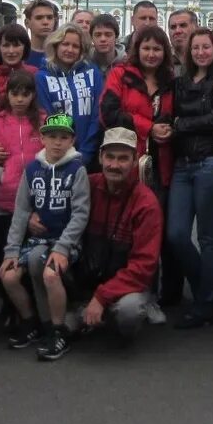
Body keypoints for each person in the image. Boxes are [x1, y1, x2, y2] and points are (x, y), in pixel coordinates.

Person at [0, 112, 91, 361]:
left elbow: (81, 214)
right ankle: (33, 323)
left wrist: (63, 247)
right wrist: (11, 250)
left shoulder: (77, 169)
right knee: (8, 276)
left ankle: (58, 330)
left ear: (72, 140)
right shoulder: (32, 169)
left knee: (50, 273)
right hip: (38, 240)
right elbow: (21, 211)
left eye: (64, 137)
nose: (57, 142)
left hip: (66, 242)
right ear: (42, 138)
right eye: (52, 137)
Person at [100, 24, 177, 319]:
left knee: (153, 232)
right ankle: (115, 291)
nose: (152, 54)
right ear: (136, 50)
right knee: (121, 231)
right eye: (146, 48)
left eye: (157, 49)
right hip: (126, 164)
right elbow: (109, 113)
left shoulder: (170, 80)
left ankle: (151, 295)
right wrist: (147, 127)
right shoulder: (121, 75)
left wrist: (169, 128)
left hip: (161, 165)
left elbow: (175, 114)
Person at [167, 27, 213, 328]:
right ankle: (206, 289)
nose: (200, 53)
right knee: (177, 234)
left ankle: (205, 304)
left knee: (209, 237)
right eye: (195, 48)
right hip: (182, 164)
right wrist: (190, 120)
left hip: (212, 162)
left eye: (205, 47)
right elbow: (183, 115)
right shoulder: (180, 80)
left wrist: (182, 122)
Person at [73, 127, 163, 340]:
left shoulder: (146, 203)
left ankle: (99, 316)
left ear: (135, 161)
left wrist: (102, 297)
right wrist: (33, 217)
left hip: (126, 285)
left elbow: (143, 267)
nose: (114, 165)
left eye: (123, 159)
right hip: (90, 275)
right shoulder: (87, 184)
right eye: (110, 157)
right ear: (100, 157)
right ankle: (86, 313)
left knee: (128, 313)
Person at [0, 71, 41, 316]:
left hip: (37, 205)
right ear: (7, 95)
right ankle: (9, 305)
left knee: (32, 258)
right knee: (5, 253)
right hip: (6, 203)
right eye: (15, 94)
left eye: (26, 94)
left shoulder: (42, 122)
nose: (20, 99)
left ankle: (34, 305)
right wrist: (0, 174)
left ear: (33, 95)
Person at [36, 23, 104, 168]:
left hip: (90, 154)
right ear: (56, 46)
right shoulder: (42, 77)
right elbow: (47, 116)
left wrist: (86, 152)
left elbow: (97, 113)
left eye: (75, 46)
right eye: (65, 44)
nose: (70, 50)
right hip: (57, 155)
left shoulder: (92, 72)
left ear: (81, 50)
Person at [22, 0, 59, 69]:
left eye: (49, 17)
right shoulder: (20, 54)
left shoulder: (62, 54)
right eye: (39, 18)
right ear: (27, 23)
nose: (45, 22)